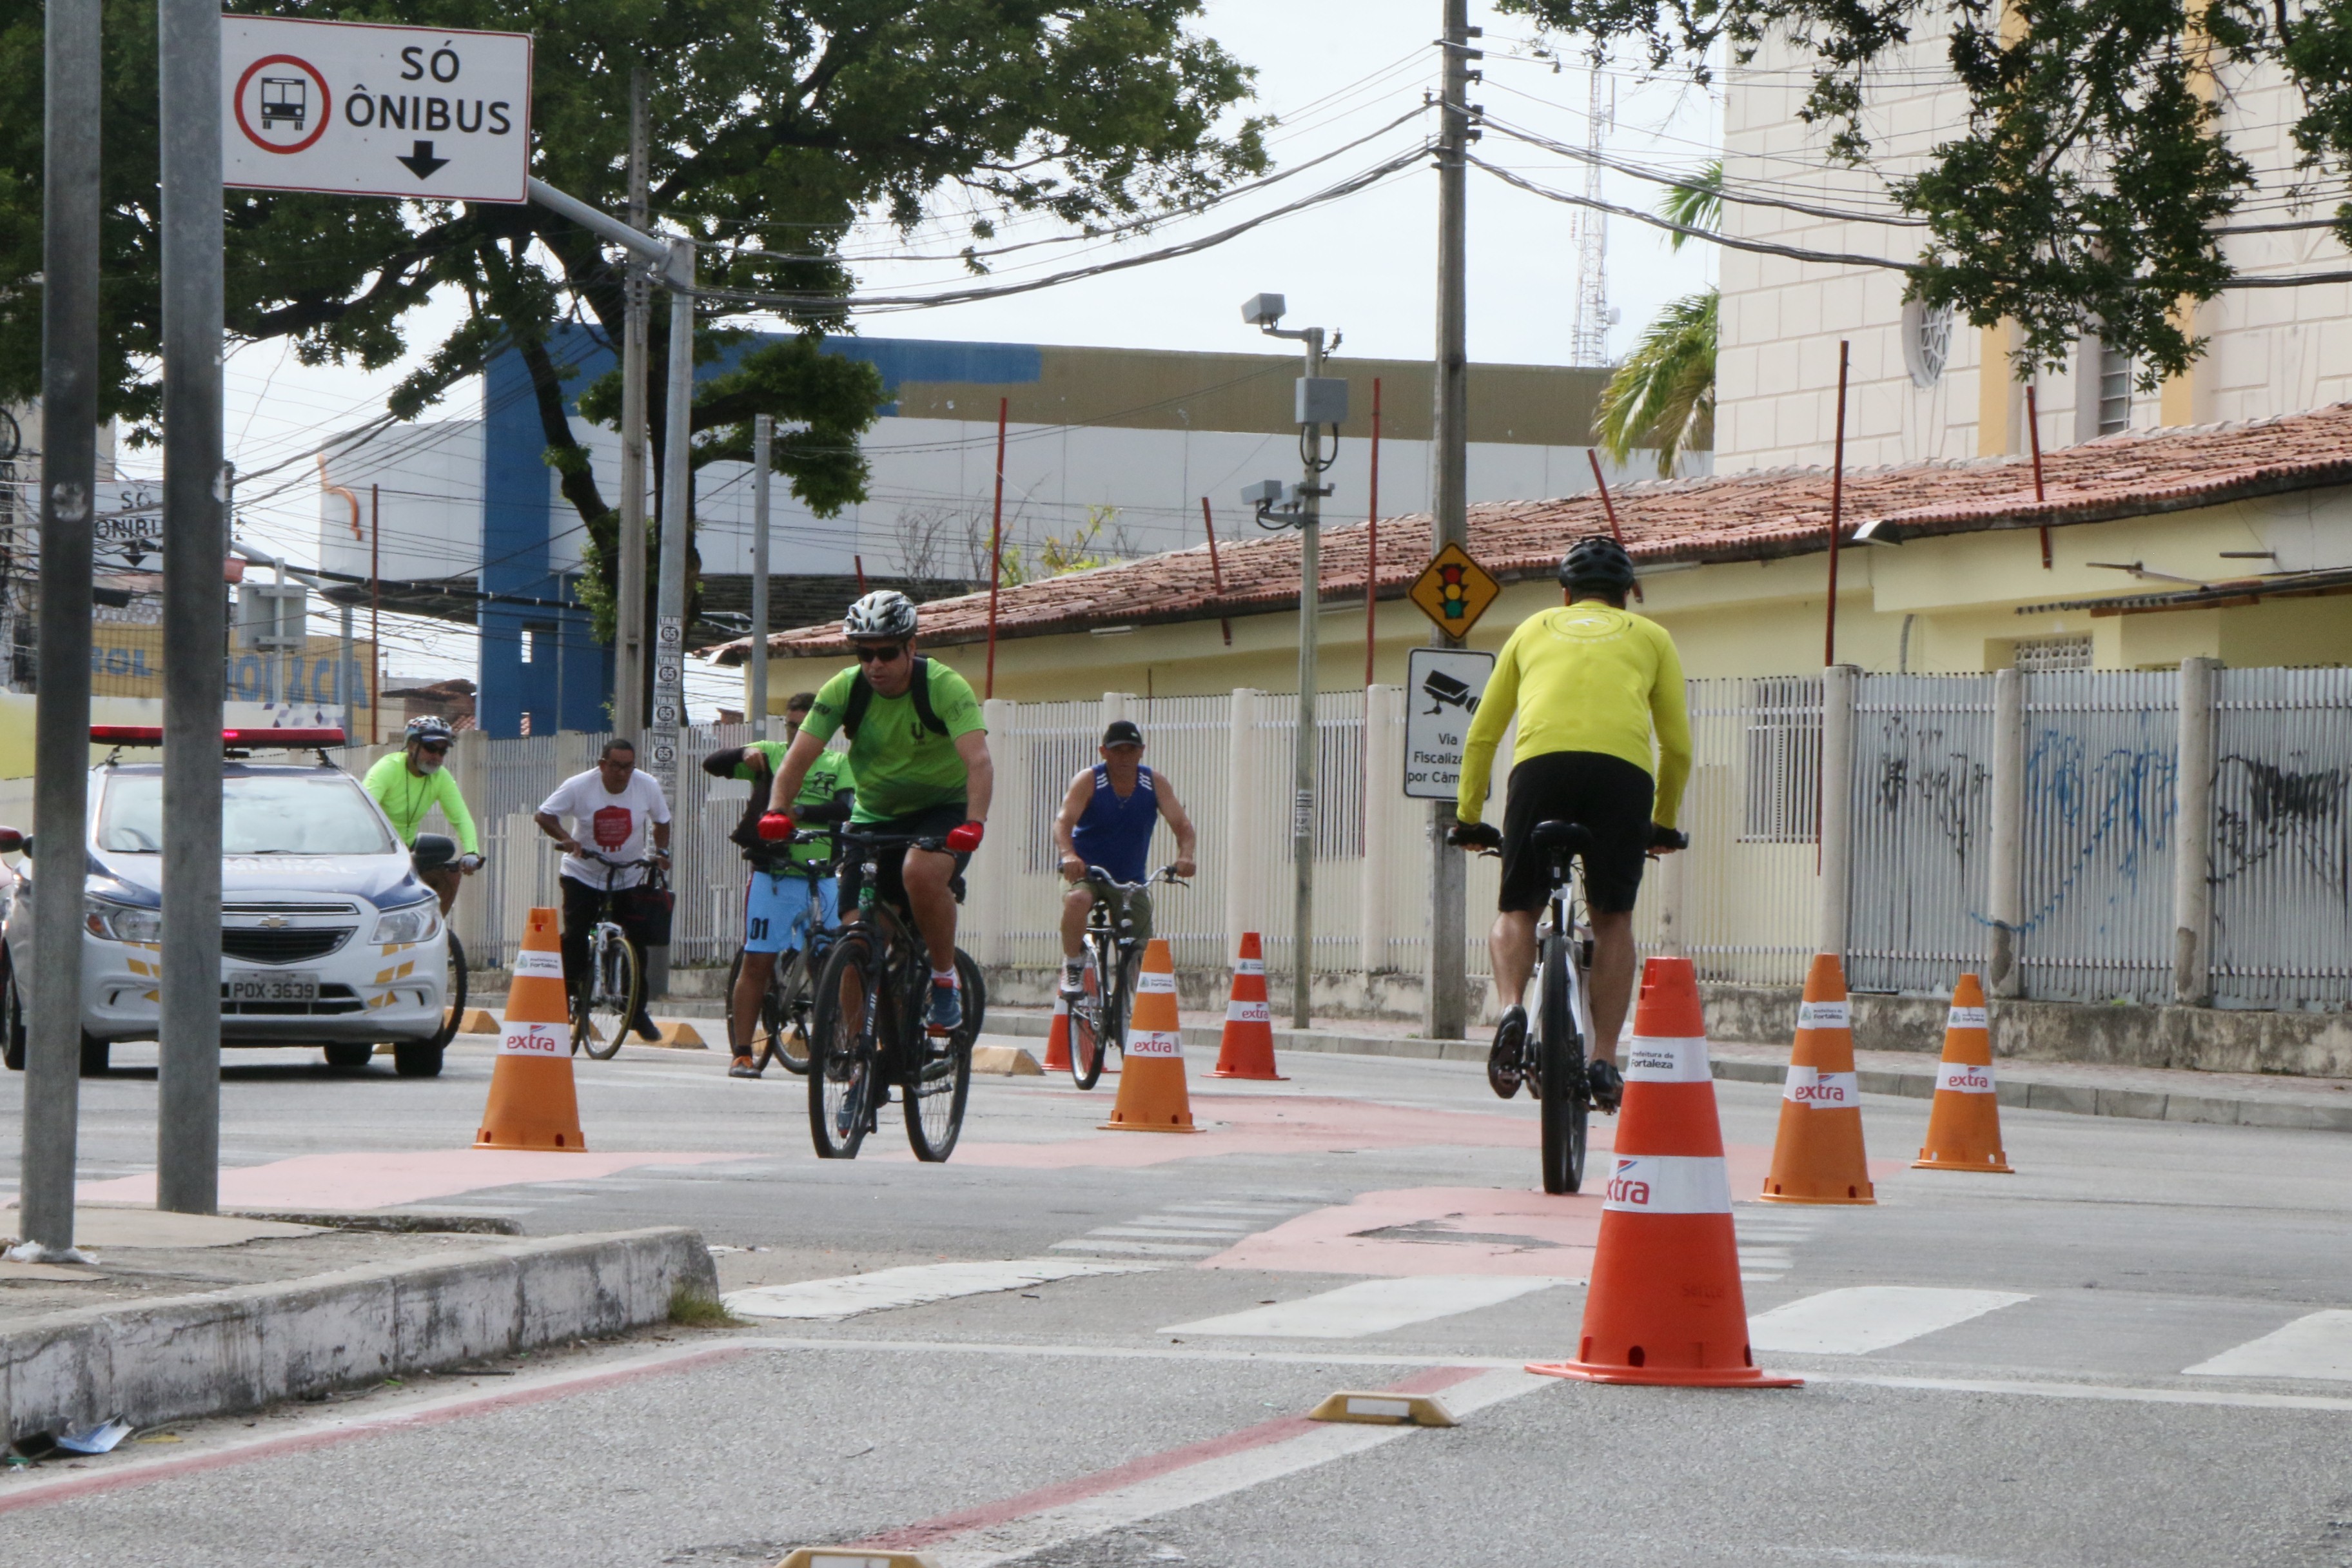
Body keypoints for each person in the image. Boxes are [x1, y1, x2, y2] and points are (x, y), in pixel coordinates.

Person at [1451, 534, 1691, 1114]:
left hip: (1541, 771)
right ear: (1627, 598)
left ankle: (1512, 1007)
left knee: (1517, 911)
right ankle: (1604, 1060)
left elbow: (1483, 733)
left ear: (1564, 595)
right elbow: (1678, 748)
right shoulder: (1654, 638)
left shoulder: (1532, 630)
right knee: (1612, 921)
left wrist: (1468, 817)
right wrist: (1661, 823)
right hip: (1622, 778)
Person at [757, 590, 992, 1036]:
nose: (875, 665)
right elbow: (796, 760)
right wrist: (777, 811)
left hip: (942, 809)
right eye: (864, 653)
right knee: (857, 939)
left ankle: (944, 982)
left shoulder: (943, 686)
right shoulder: (845, 688)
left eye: (886, 653)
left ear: (911, 647)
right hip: (875, 815)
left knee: (920, 875)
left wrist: (973, 824)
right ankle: (857, 1060)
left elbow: (979, 761)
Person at [702, 692, 855, 1079]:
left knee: (836, 959)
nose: (796, 731)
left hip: (822, 875)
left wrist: (798, 812)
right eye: (791, 725)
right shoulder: (769, 752)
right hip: (775, 874)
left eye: (805, 725)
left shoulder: (837, 762)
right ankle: (741, 1053)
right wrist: (742, 756)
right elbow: (712, 764)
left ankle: (840, 1049)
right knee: (758, 960)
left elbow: (847, 807)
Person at [534, 738, 671, 1043]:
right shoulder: (580, 785)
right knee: (575, 936)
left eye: (629, 767)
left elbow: (662, 821)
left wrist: (662, 852)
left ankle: (636, 1011)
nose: (623, 773)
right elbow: (544, 814)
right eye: (616, 766)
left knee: (637, 943)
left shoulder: (646, 785)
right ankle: (567, 996)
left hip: (628, 875)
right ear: (602, 765)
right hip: (582, 873)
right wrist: (567, 840)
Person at [1051, 719, 1197, 998]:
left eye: (1131, 750)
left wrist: (1186, 856)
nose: (1124, 757)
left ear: (1142, 751)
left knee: (1143, 947)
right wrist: (1069, 855)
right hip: (1086, 872)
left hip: (1130, 878)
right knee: (1077, 900)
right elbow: (1063, 822)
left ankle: (1134, 1013)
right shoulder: (1090, 780)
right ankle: (1073, 964)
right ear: (1103, 752)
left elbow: (1183, 826)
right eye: (1117, 751)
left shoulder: (1153, 782)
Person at [362, 717, 482, 914]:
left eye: (442, 751)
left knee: (448, 874)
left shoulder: (440, 777)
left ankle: (433, 931)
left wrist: (472, 852)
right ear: (411, 745)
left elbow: (461, 818)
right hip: (375, 853)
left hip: (406, 856)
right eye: (431, 748)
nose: (437, 756)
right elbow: (365, 811)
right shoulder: (387, 768)